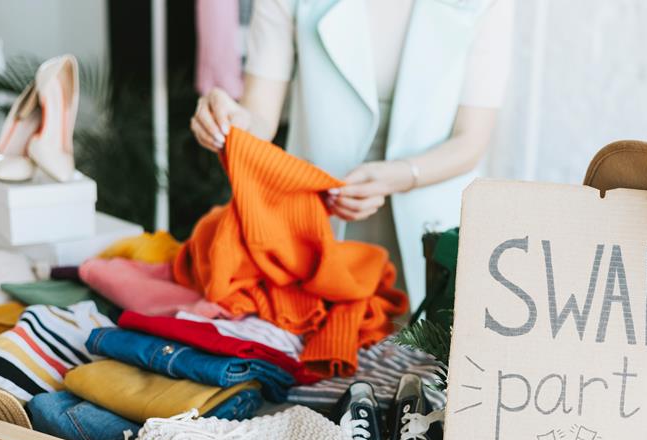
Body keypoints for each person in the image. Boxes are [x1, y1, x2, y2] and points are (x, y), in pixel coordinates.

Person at [191, 0, 513, 307]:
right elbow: (259, 116)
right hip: (318, 226)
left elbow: (470, 141)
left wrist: (399, 175)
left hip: (434, 232)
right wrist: (230, 122)